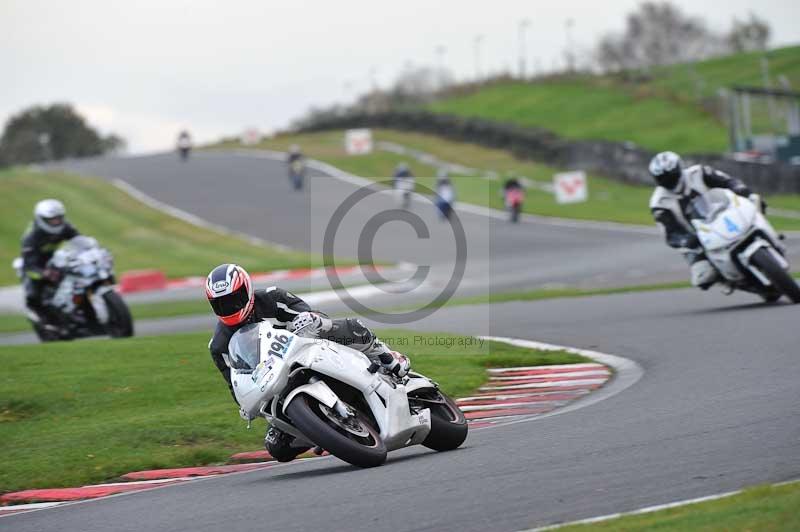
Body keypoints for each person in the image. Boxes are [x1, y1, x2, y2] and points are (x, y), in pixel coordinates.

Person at [205, 263, 410, 462]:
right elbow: (235, 383)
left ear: (247, 290)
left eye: (234, 299)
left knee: (344, 326)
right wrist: (244, 404)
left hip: (308, 350)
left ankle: (388, 358)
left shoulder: (272, 297)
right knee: (276, 447)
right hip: (277, 380)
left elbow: (310, 313)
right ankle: (322, 433)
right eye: (221, 303)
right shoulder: (219, 346)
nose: (229, 307)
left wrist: (307, 318)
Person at [648, 151, 764, 290]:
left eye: (670, 175)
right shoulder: (659, 203)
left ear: (679, 168)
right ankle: (729, 280)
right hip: (699, 238)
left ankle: (768, 236)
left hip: (722, 213)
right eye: (662, 178)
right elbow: (670, 233)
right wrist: (686, 240)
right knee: (703, 277)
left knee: (754, 200)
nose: (668, 180)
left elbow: (727, 181)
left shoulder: (698, 173)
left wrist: (740, 189)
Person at [20, 199, 80, 329]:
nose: (57, 221)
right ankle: (39, 316)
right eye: (52, 219)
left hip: (55, 259)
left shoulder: (65, 226)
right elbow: (29, 266)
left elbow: (79, 240)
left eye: (59, 218)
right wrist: (43, 273)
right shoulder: (31, 237)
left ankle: (77, 308)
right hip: (36, 264)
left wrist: (90, 249)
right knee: (33, 292)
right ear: (42, 219)